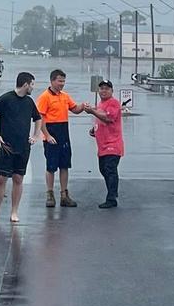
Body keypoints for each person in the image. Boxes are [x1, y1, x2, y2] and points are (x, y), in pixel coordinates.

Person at [0, 72, 42, 223]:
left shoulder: (29, 102)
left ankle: (14, 212)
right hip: (7, 146)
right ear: (25, 84)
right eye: (32, 84)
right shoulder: (6, 98)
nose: (32, 88)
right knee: (1, 179)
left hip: (23, 146)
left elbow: (38, 119)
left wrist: (36, 136)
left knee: (18, 178)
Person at [37, 69, 85, 208]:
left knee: (64, 165)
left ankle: (64, 194)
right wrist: (47, 135)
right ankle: (50, 194)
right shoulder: (44, 97)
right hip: (51, 132)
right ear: (52, 81)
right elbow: (40, 118)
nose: (62, 84)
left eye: (63, 81)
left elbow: (74, 109)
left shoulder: (65, 96)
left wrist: (83, 107)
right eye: (59, 81)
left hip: (63, 133)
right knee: (51, 166)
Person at [85, 79, 124, 208]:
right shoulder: (101, 104)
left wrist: (92, 111)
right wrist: (94, 129)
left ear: (112, 91)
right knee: (103, 169)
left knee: (110, 169)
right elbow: (101, 119)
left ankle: (112, 198)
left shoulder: (113, 103)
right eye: (101, 88)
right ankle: (113, 192)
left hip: (113, 145)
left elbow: (108, 118)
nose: (103, 91)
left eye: (107, 88)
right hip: (102, 146)